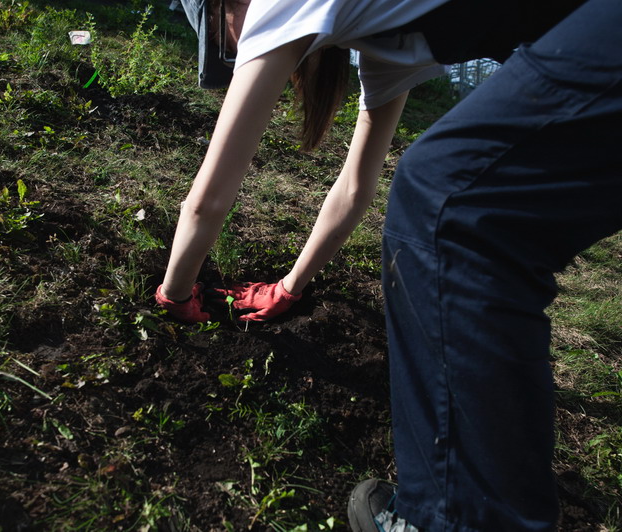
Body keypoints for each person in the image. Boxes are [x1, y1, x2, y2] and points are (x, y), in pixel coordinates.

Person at [348, 0, 622, 530]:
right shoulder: (377, 49)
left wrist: (178, 293)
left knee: (451, 202)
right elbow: (354, 186)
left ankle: (456, 520)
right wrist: (292, 285)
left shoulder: (287, 14)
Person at [156, 0, 455, 322]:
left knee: (442, 181)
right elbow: (354, 189)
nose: (234, 52)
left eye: (216, 33)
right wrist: (287, 290)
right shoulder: (392, 27)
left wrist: (174, 295)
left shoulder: (281, 5)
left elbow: (208, 200)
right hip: (486, 33)